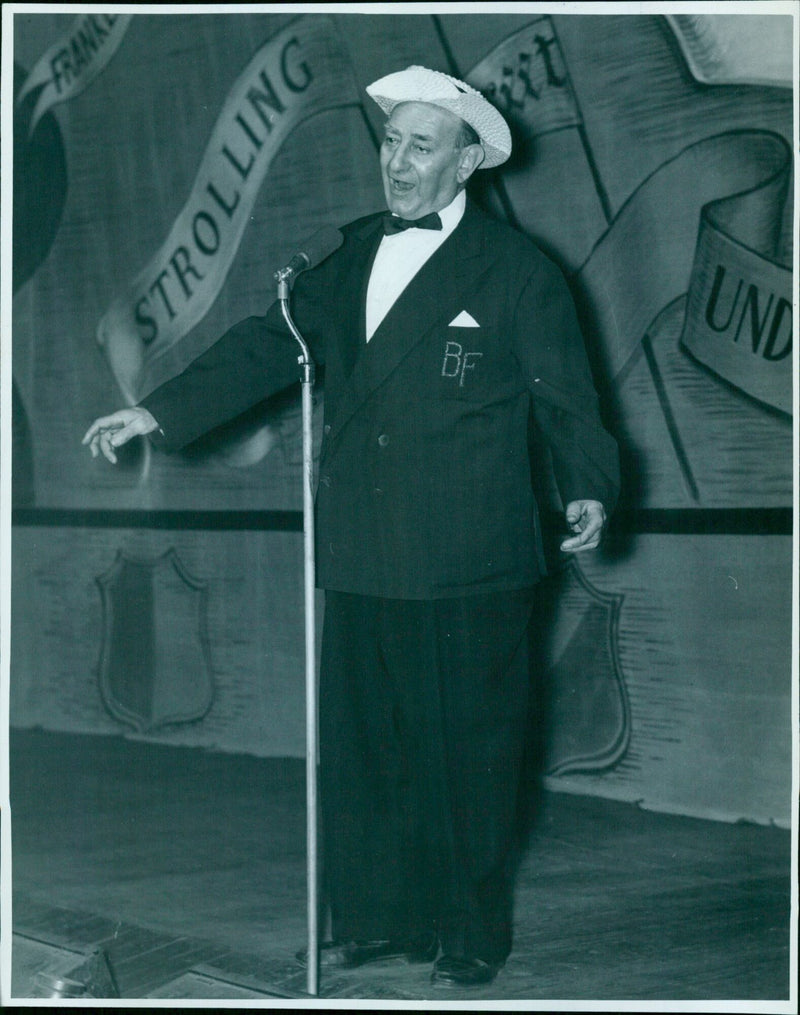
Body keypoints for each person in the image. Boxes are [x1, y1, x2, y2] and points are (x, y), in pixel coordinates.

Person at [83, 65, 620, 988]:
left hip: (471, 557)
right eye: (389, 143)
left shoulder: (518, 271)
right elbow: (264, 343)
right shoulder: (346, 257)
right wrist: (158, 412)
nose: (398, 163)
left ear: (466, 163)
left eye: (420, 146)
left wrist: (589, 484)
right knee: (367, 749)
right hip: (366, 548)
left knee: (469, 750)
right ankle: (375, 920)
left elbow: (565, 395)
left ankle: (469, 928)